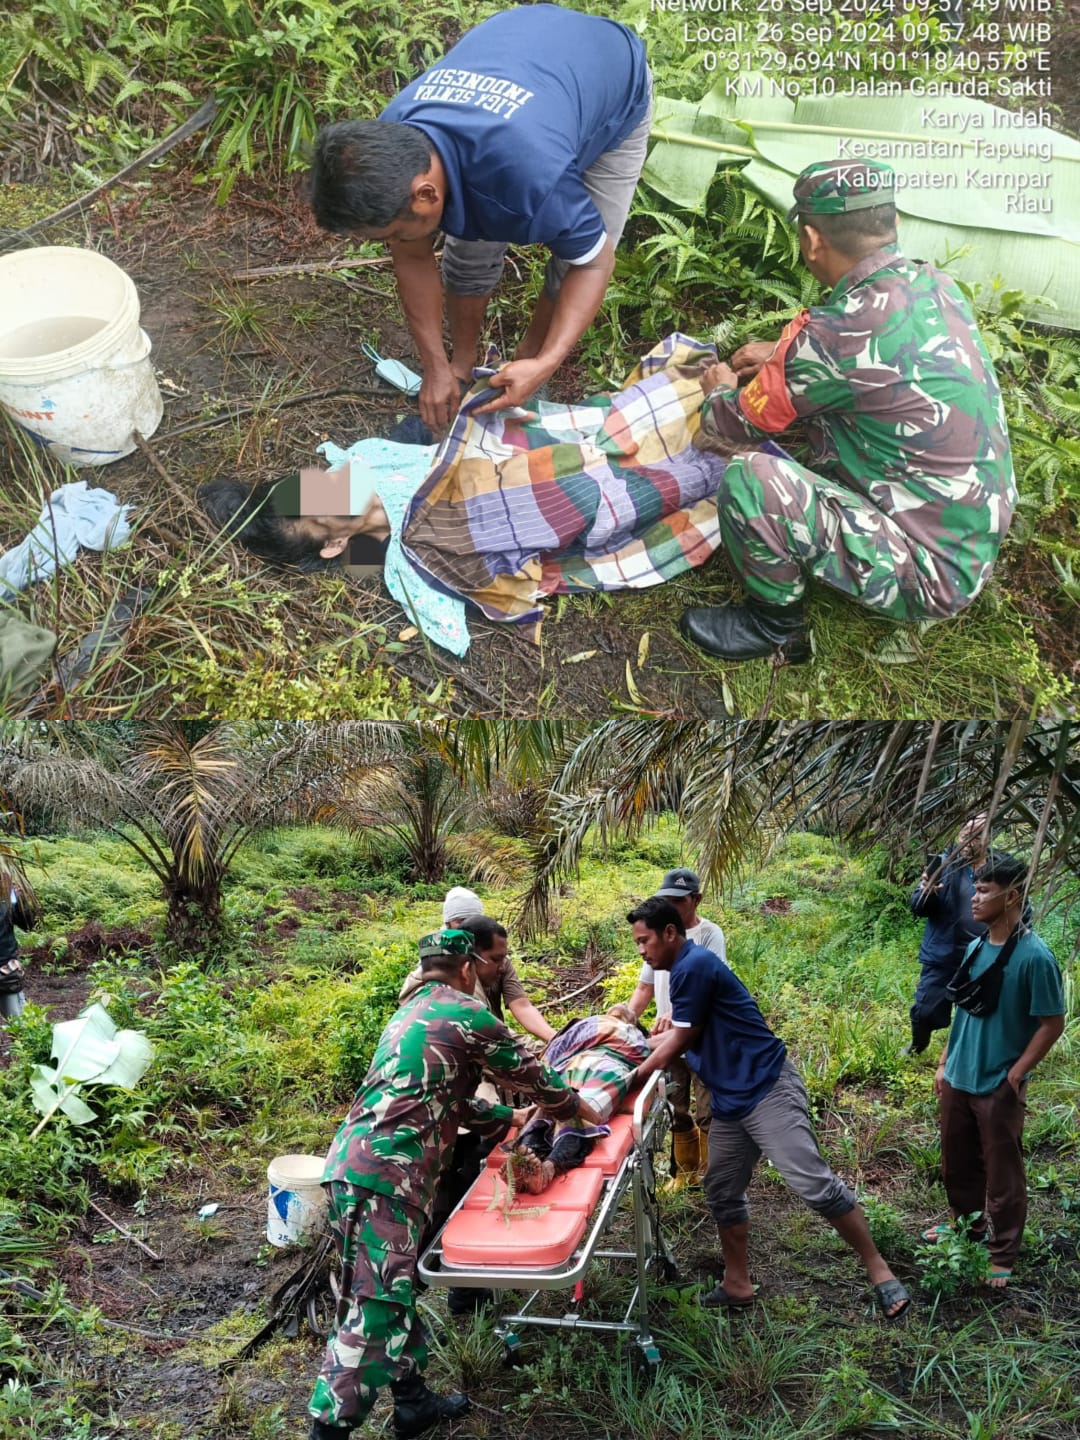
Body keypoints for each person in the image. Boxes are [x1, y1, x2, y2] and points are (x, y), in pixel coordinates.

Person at [679, 158, 1016, 663]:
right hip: (968, 533)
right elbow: (875, 361)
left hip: (928, 575)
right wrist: (783, 353)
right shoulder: (935, 285)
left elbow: (729, 424)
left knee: (753, 479)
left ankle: (776, 626)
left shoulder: (833, 336)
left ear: (812, 239)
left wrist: (719, 386)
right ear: (894, 224)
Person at [309, 928, 602, 1440]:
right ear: (468, 969)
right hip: (387, 1178)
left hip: (352, 1167)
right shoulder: (468, 1014)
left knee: (384, 1290)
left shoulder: (409, 1014)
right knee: (373, 1307)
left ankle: (414, 1403)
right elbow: (534, 1075)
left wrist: (510, 1123)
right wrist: (576, 1108)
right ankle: (328, 1430)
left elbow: (450, 1100)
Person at [308, 5, 653, 430]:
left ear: (426, 193)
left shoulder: (529, 179)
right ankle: (465, 362)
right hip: (525, 49)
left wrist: (546, 363)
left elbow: (594, 261)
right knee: (469, 254)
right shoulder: (391, 142)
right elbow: (413, 256)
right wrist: (437, 366)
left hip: (613, 80)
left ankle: (527, 363)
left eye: (393, 233)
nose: (394, 243)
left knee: (573, 261)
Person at [627, 898, 910, 1319]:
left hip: (766, 1088)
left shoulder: (694, 965)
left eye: (644, 941)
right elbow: (675, 1038)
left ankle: (880, 1270)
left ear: (670, 933)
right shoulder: (684, 970)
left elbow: (680, 1042)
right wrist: (621, 1043)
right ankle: (737, 1284)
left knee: (814, 1184)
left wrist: (630, 1079)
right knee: (721, 1189)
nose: (641, 952)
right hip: (730, 1099)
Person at [929, 855, 1065, 1289]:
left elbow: (1052, 1022)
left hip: (996, 1083)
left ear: (1013, 896)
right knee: (956, 1163)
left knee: (1003, 1175)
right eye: (976, 887)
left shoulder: (1034, 957)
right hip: (959, 1077)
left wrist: (1016, 1074)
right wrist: (945, 1061)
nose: (974, 897)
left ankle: (1002, 1252)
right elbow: (963, 1009)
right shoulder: (974, 947)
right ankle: (965, 1226)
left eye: (985, 890)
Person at [626, 869, 725, 1189]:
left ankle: (713, 1177)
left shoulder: (708, 936)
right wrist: (626, 1015)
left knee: (708, 1105)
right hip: (667, 1035)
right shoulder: (656, 936)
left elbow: (708, 987)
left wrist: (676, 1016)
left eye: (678, 900)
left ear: (696, 900)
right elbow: (644, 988)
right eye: (666, 899)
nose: (672, 905)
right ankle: (684, 1172)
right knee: (675, 1104)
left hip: (697, 1034)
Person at [508, 1002, 651, 1192]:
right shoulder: (588, 1025)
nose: (623, 1006)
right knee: (550, 1104)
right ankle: (524, 1159)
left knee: (582, 1112)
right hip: (574, 1063)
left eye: (628, 1012)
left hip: (610, 1065)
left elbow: (641, 1053)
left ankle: (548, 1168)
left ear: (634, 1023)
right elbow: (557, 1050)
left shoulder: (635, 1037)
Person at [906, 815, 989, 1055]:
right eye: (965, 833)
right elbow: (917, 907)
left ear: (987, 837)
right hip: (944, 954)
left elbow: (1017, 902)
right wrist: (926, 892)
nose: (968, 840)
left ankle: (967, 1054)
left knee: (980, 1010)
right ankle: (918, 1044)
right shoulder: (943, 865)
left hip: (984, 955)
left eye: (975, 835)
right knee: (925, 1010)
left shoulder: (999, 867)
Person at [0, 881, 37, 1021]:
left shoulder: (7, 897)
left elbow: (29, 925)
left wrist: (20, 901)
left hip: (5, 972)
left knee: (19, 1023)